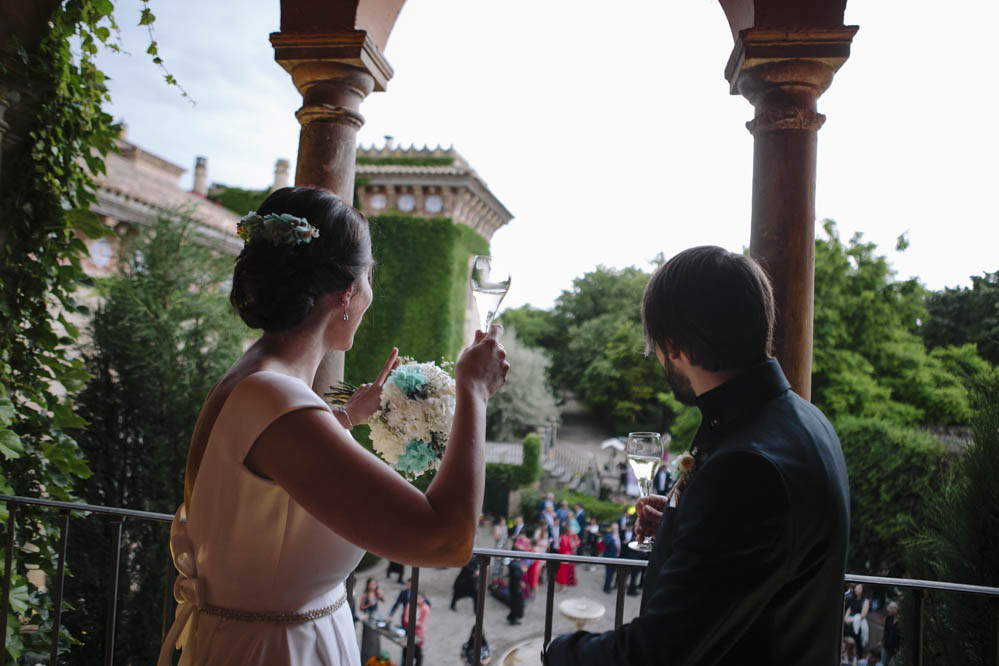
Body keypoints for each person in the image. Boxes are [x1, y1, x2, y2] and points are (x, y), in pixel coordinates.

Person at [158, 187, 509, 666]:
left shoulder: (259, 381)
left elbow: (267, 495)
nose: (369, 294)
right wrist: (473, 391)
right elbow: (446, 539)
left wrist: (345, 418)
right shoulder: (275, 399)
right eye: (369, 278)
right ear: (347, 293)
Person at [544, 246, 850, 665]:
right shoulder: (809, 423)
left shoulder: (745, 466)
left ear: (673, 347)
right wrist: (677, 524)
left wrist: (557, 651)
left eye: (655, 348)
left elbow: (657, 654)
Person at [402, 592, 430, 666]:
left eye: (419, 598)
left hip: (418, 634)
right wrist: (415, 622)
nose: (417, 600)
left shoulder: (425, 608)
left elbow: (421, 623)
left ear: (423, 599)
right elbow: (405, 619)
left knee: (418, 653)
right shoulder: (410, 605)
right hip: (409, 632)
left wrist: (411, 621)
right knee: (406, 651)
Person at [844, 583, 871, 655]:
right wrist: (846, 618)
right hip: (849, 621)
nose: (856, 589)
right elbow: (849, 609)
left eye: (858, 588)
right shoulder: (852, 598)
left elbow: (863, 615)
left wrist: (853, 620)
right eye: (856, 588)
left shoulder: (865, 601)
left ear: (862, 590)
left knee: (857, 638)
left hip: (858, 622)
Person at [555, 521, 580, 591]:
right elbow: (567, 547)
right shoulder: (565, 538)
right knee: (563, 573)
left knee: (561, 572)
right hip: (565, 557)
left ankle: (561, 587)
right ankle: (563, 588)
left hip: (562, 556)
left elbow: (559, 547)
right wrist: (573, 545)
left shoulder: (562, 537)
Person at [601, 523, 621, 594]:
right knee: (608, 574)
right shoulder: (609, 535)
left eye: (617, 528)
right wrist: (614, 538)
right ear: (612, 529)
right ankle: (606, 588)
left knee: (612, 573)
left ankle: (609, 586)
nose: (616, 530)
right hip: (609, 558)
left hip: (616, 558)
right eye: (615, 528)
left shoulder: (619, 535)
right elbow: (607, 544)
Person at [507, 556, 525, 625]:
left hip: (514, 587)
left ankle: (512, 616)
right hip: (516, 588)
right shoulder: (516, 566)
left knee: (514, 603)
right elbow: (516, 577)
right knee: (516, 604)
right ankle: (513, 618)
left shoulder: (514, 564)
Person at [881, 600, 900, 665]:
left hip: (896, 649)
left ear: (896, 610)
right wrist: (882, 641)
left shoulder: (901, 621)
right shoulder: (888, 618)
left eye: (890, 608)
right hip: (887, 647)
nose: (888, 609)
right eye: (888, 607)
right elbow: (886, 631)